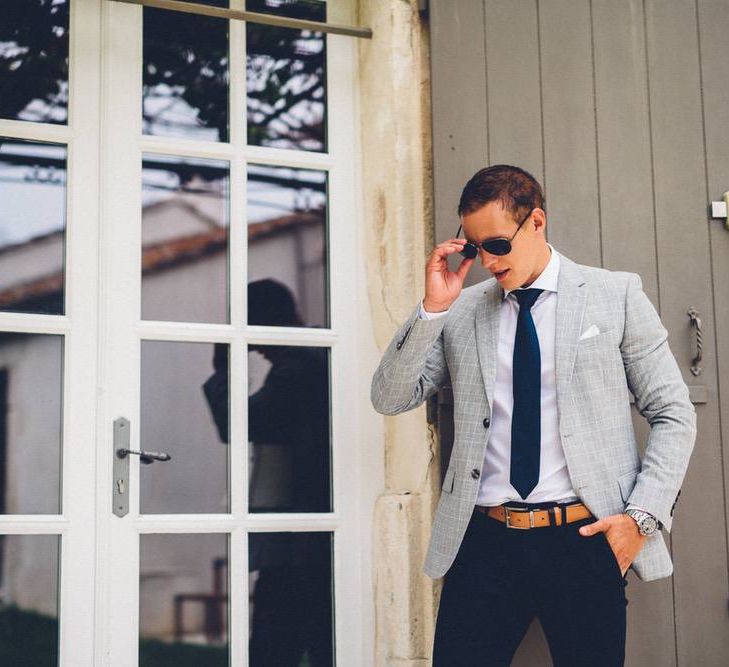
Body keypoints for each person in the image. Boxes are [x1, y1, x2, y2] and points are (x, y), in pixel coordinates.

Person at [370, 165, 696, 666]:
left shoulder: (615, 295)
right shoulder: (461, 311)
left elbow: (673, 413)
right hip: (484, 542)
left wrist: (640, 520)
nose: (488, 263)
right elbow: (390, 397)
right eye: (477, 249)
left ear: (537, 221)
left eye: (498, 244)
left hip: (584, 540)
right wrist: (433, 308)